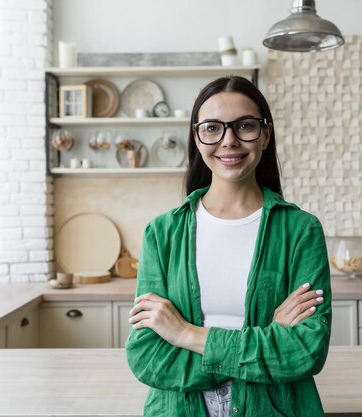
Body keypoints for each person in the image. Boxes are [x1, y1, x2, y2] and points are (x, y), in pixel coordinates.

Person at [126, 75, 331, 417]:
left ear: (265, 134)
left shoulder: (301, 231)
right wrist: (267, 339)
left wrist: (186, 334)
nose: (229, 141)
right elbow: (147, 357)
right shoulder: (161, 233)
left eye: (245, 126)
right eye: (212, 128)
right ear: (196, 137)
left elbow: (306, 351)